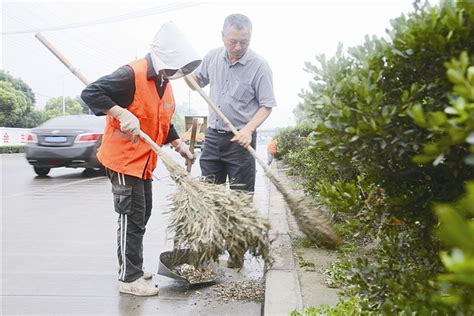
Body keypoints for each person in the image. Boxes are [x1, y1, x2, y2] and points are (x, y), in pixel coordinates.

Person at [81, 22, 201, 296]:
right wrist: (120, 113)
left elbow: (163, 119)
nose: (177, 72)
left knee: (142, 214)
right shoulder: (130, 74)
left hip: (145, 161)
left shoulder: (164, 82)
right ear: (164, 57)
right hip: (123, 159)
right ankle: (128, 278)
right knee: (130, 217)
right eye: (175, 65)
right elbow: (90, 94)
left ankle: (131, 263)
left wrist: (178, 144)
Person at [185, 14, 277, 268]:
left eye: (243, 42)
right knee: (210, 196)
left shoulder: (259, 65)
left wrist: (248, 129)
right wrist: (186, 74)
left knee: (239, 200)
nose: (238, 47)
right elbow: (196, 82)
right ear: (223, 36)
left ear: (250, 37)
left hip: (241, 141)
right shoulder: (213, 56)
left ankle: (237, 255)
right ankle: (209, 252)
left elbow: (266, 105)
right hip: (213, 137)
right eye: (233, 41)